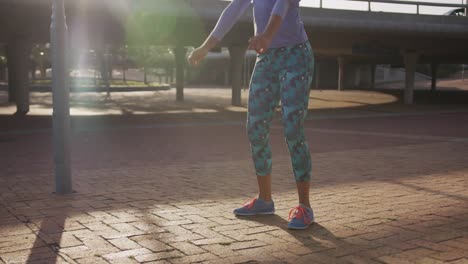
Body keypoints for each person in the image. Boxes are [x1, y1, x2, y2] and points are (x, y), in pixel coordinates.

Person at [188, 0, 314, 229]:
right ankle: (265, 200)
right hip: (267, 59)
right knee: (255, 128)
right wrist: (206, 46)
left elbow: (282, 6)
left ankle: (304, 206)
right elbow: (234, 9)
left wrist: (266, 35)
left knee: (293, 127)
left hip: (295, 56)